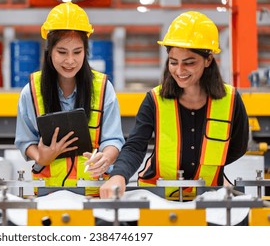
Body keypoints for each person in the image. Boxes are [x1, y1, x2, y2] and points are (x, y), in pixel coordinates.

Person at [100, 11, 249, 199]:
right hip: (157, 197)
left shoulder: (231, 100)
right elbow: (135, 147)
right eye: (173, 62)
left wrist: (213, 168)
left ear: (208, 60)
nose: (179, 71)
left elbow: (237, 147)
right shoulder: (154, 100)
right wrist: (118, 176)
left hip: (209, 197)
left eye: (189, 63)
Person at [15, 2, 125, 193]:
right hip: (48, 194)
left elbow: (114, 139)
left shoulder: (103, 89)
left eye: (77, 52)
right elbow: (25, 141)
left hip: (94, 193)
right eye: (62, 52)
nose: (70, 61)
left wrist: (106, 157)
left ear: (86, 51)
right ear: (50, 51)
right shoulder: (31, 92)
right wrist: (42, 157)